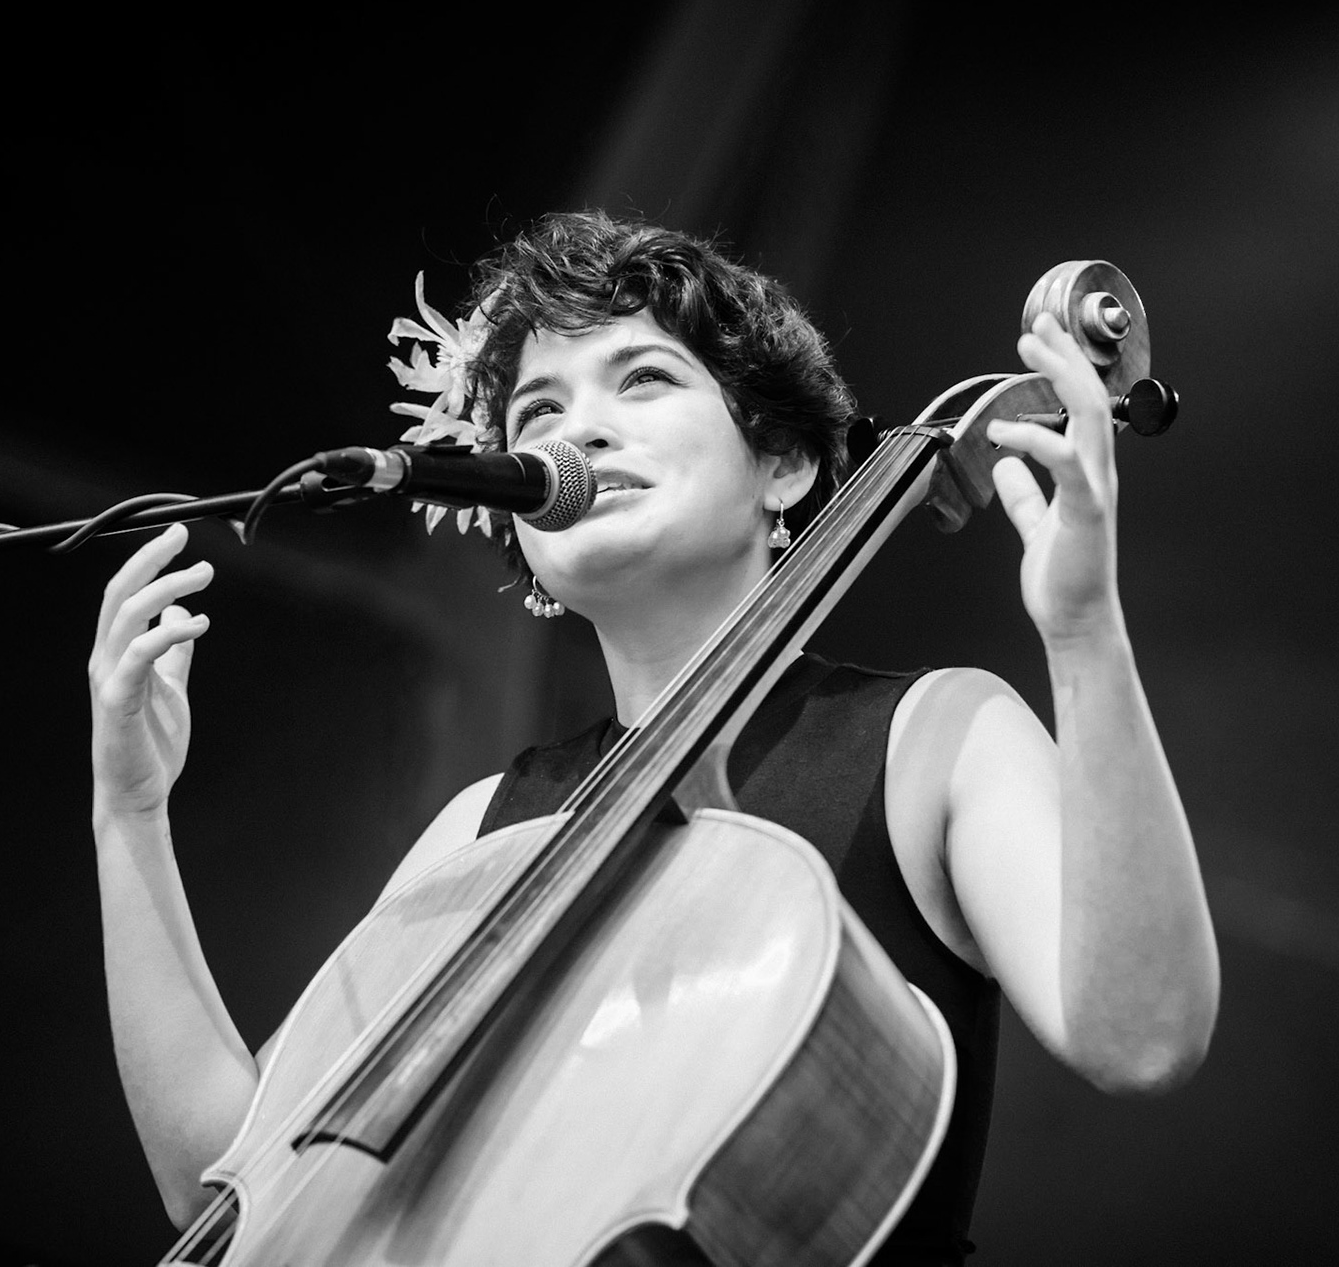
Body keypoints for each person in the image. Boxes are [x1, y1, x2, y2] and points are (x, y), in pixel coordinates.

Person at [86, 212, 1219, 1263]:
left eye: (643, 379)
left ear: (782, 464)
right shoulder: (484, 828)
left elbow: (1142, 1035)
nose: (578, 426)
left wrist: (1081, 631)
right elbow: (225, 1187)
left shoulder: (933, 736)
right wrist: (128, 812)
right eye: (538, 412)